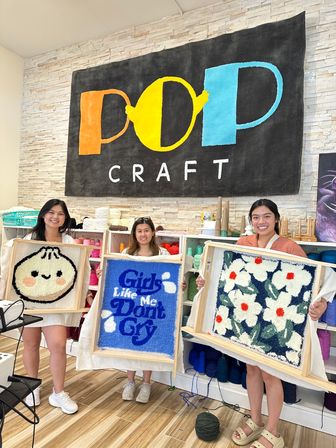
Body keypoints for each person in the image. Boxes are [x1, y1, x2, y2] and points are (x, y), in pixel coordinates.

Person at [196, 199, 328, 448]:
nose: (261, 222)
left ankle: (273, 431)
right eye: (255, 217)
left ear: (276, 219)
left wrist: (321, 303)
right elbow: (228, 275)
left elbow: (314, 281)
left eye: (266, 216)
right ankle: (255, 420)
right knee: (252, 370)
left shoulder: (290, 246)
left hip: (275, 322)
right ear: (251, 221)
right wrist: (207, 282)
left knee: (270, 374)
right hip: (248, 321)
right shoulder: (242, 243)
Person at [18, 199, 82, 414]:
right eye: (51, 212)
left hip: (57, 303)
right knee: (31, 344)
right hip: (30, 302)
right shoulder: (29, 239)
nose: (56, 217)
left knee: (58, 345)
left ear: (66, 218)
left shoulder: (69, 241)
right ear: (43, 215)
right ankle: (32, 386)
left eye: (61, 214)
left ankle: (59, 392)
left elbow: (77, 270)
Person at [120, 216, 169, 404]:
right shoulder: (127, 253)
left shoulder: (163, 253)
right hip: (132, 306)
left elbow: (169, 277)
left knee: (149, 343)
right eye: (139, 231)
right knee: (130, 344)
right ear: (134, 233)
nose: (143, 234)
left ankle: (147, 383)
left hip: (153, 307)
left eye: (146, 230)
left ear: (153, 232)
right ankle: (130, 382)